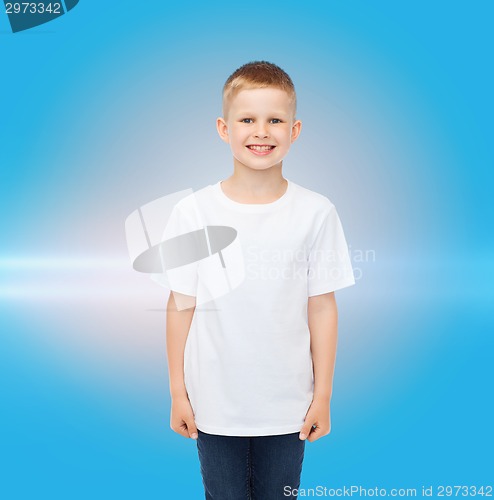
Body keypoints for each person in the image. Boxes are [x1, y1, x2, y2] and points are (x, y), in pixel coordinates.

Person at [164, 61, 355, 499]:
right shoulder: (193, 213)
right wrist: (178, 392)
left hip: (288, 404)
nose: (261, 131)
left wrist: (322, 395)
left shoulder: (316, 211)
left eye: (275, 120)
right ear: (223, 128)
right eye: (247, 119)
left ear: (296, 129)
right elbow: (181, 305)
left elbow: (322, 306)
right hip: (214, 402)